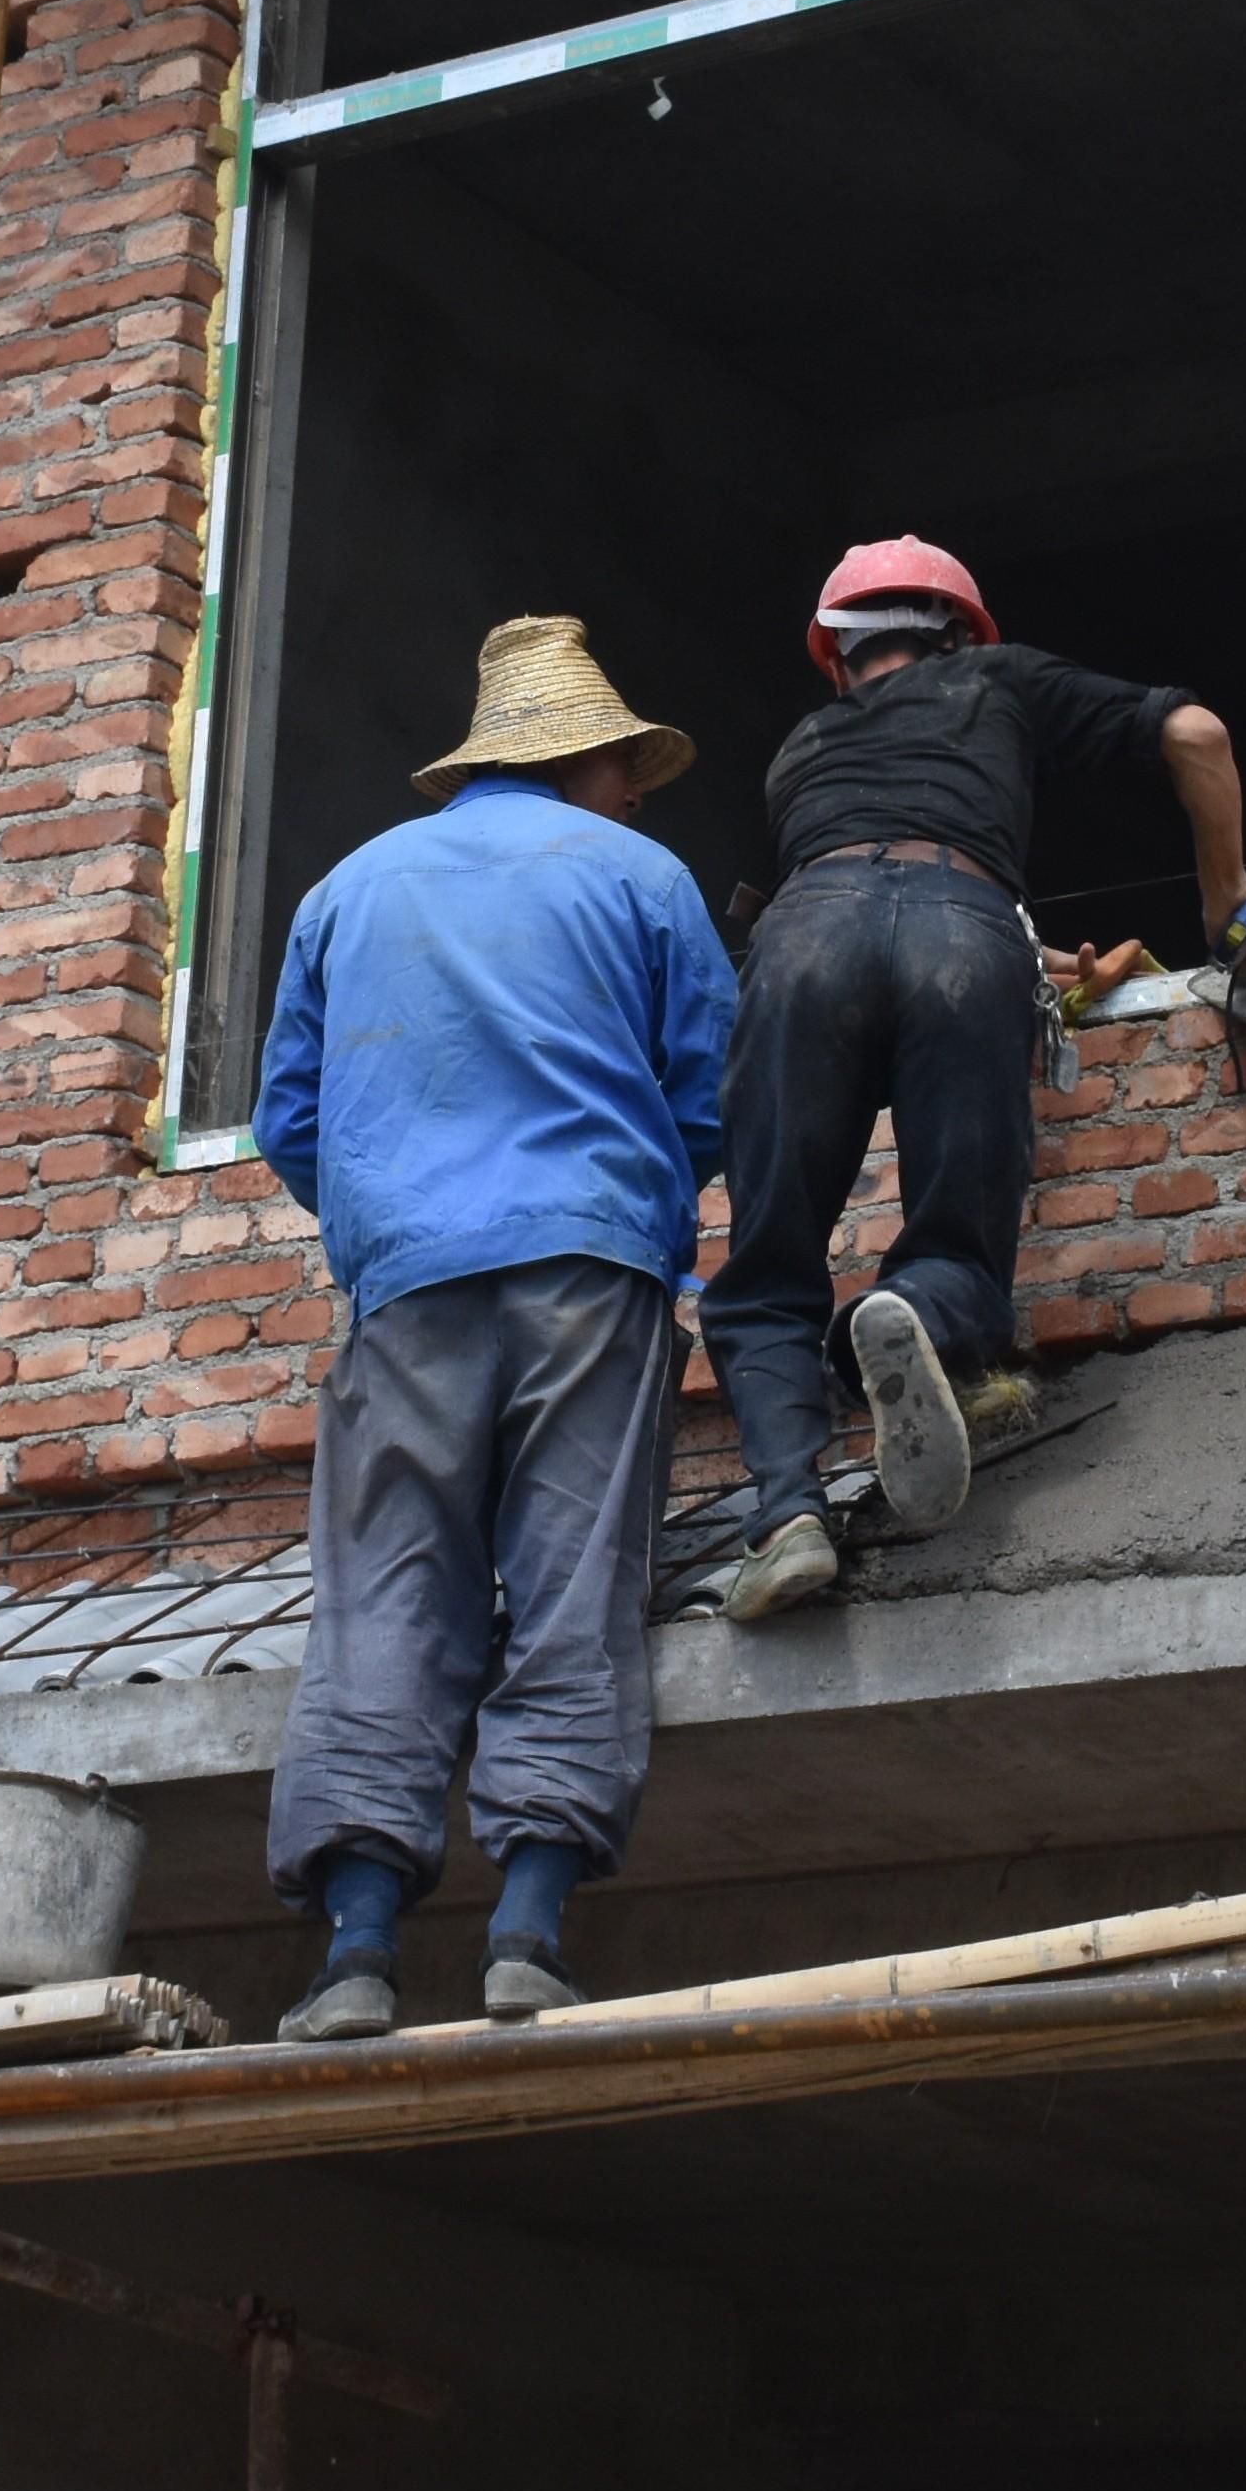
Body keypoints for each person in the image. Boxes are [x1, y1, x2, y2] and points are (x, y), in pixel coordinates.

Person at [252, 616, 738, 2038]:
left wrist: (392, 1214)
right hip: (593, 1269)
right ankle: (527, 1930)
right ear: (581, 761)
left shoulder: (347, 892)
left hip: (407, 1286)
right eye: (626, 769)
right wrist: (635, 1196)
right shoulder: (645, 878)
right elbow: (709, 1096)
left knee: (387, 1597)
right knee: (576, 1585)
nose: (639, 793)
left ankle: (353, 1957)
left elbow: (294, 1116)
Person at [698, 535, 1246, 1625]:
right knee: (957, 1237)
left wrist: (1027, 947)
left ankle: (786, 1517)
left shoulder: (800, 747)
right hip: (967, 939)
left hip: (799, 946)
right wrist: (1226, 896)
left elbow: (872, 884)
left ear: (837, 660)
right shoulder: (998, 679)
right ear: (964, 634)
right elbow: (1196, 734)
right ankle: (907, 1307)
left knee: (769, 1260)